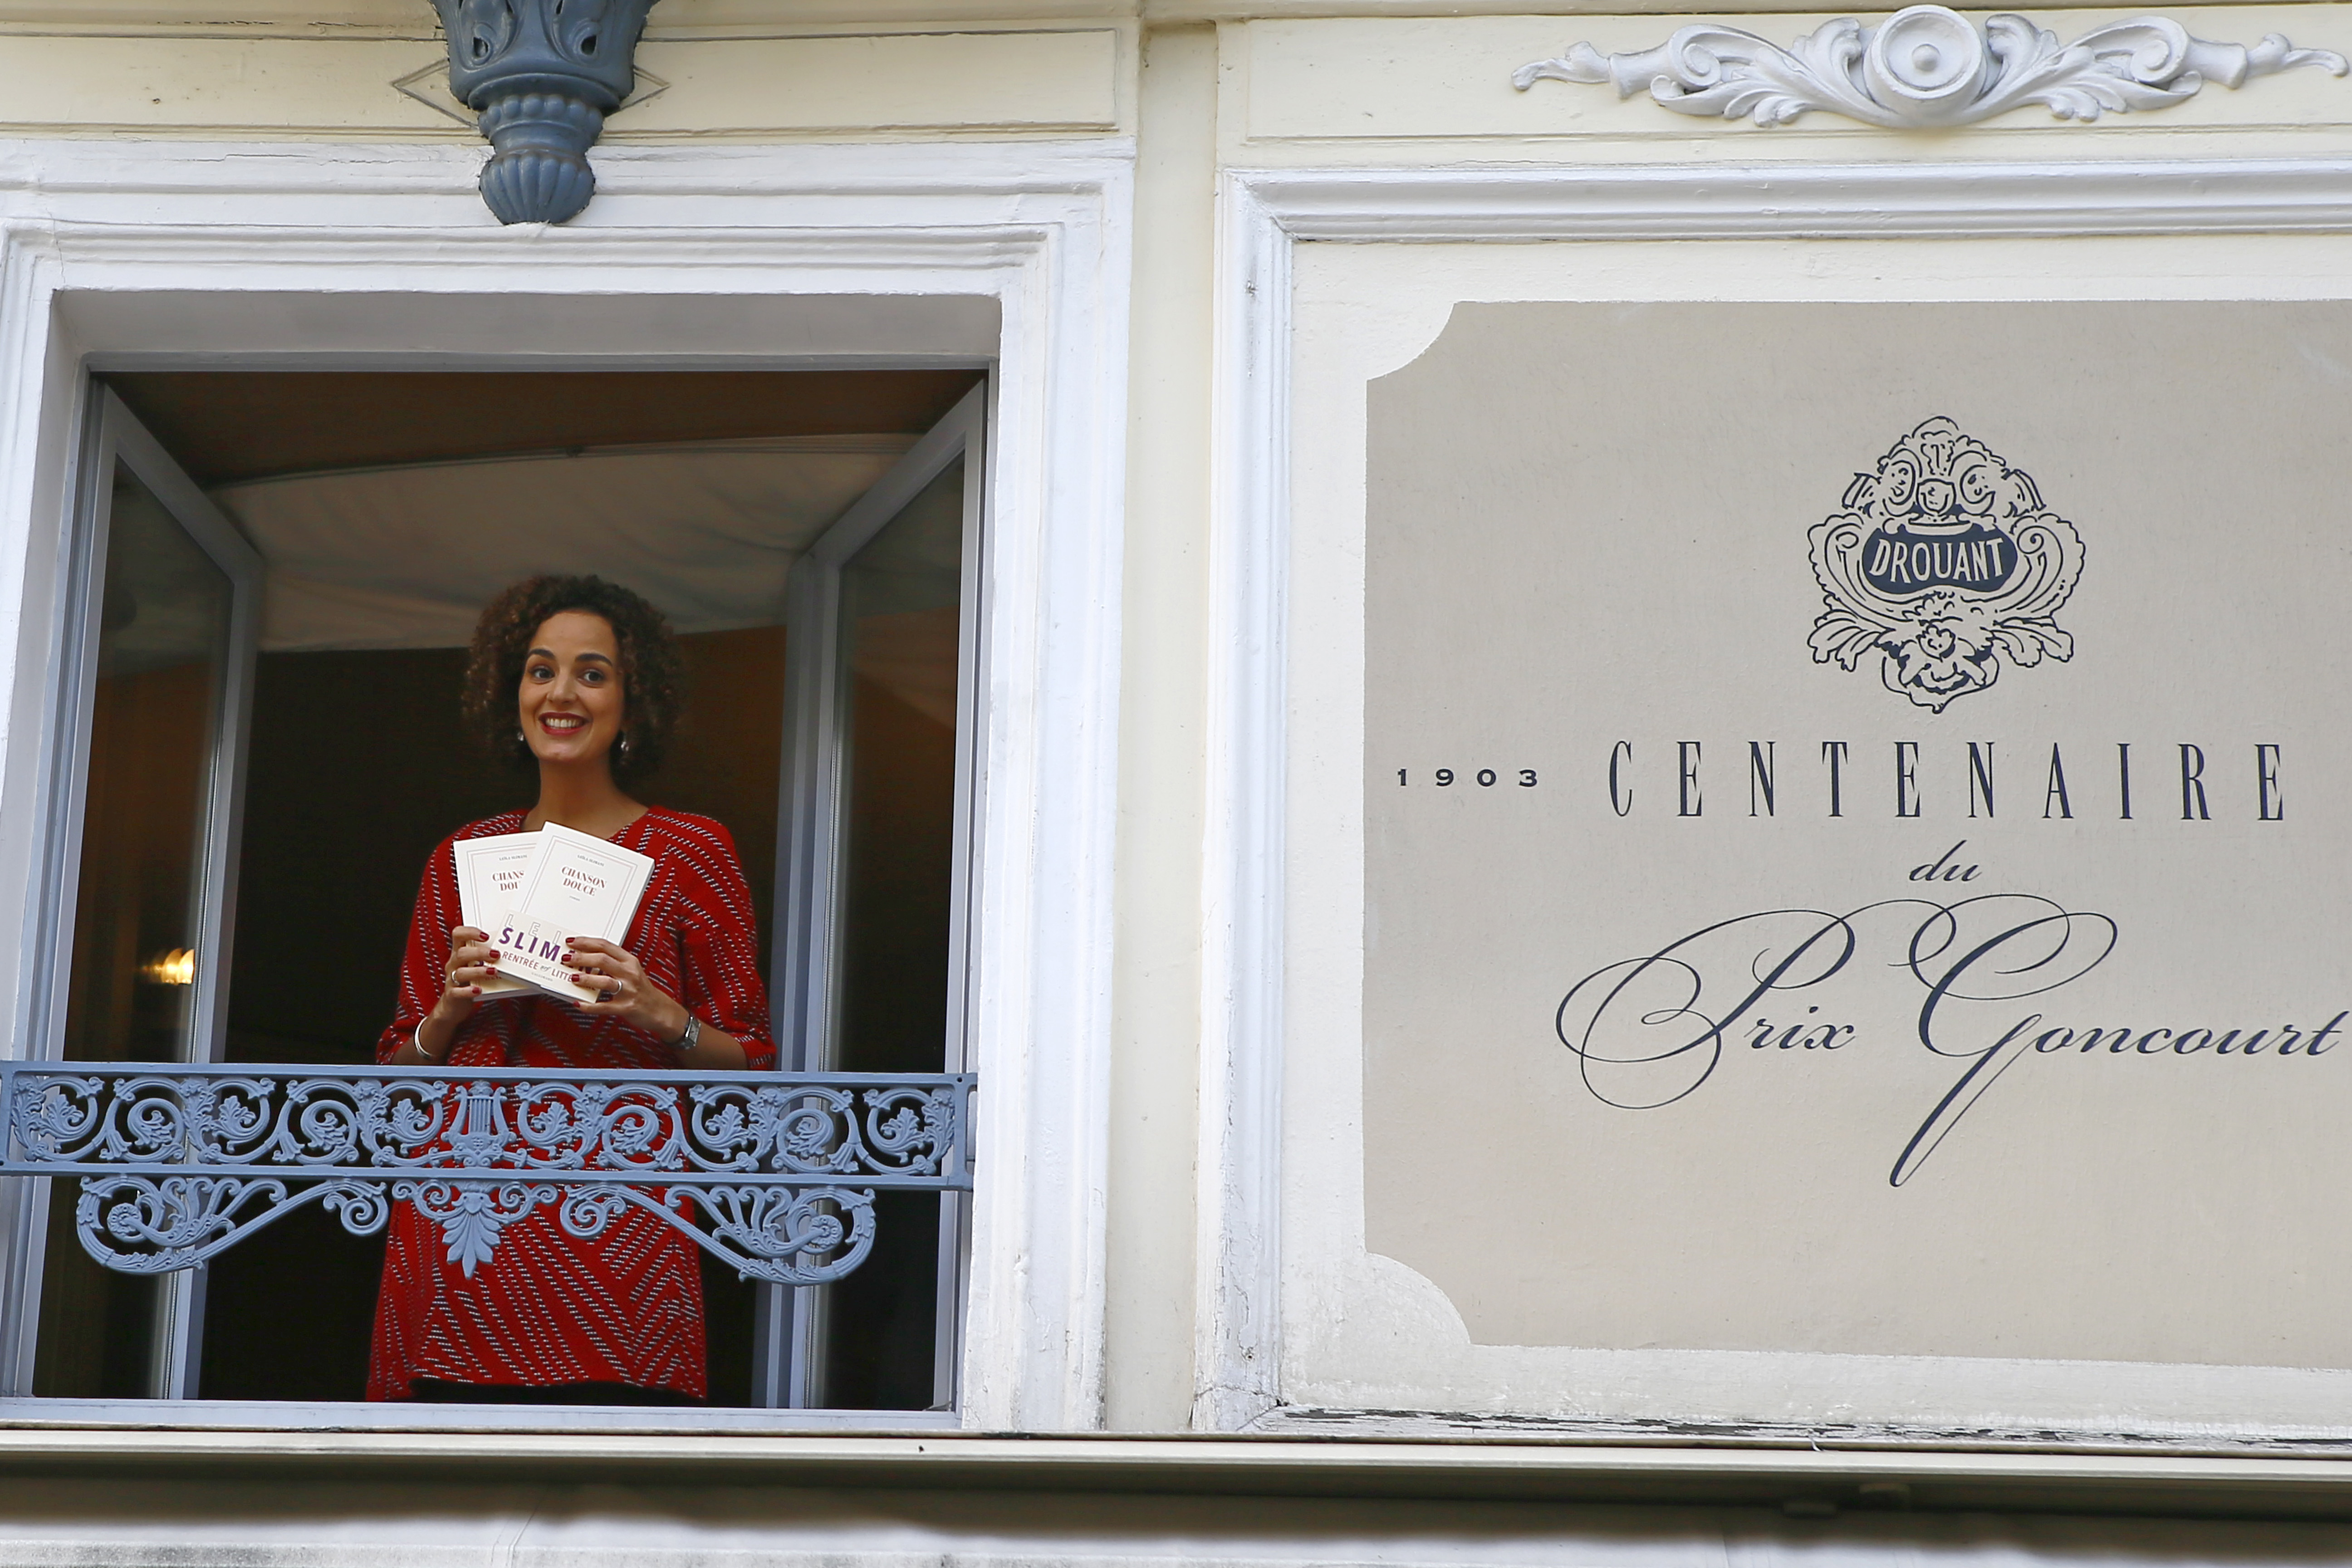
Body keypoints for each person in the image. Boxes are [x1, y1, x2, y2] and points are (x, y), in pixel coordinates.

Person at [367, 575, 774, 1405]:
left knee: (613, 1475)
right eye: (539, 670)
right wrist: (447, 1010)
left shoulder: (692, 850)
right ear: (509, 692)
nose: (561, 693)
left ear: (635, 701)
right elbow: (395, 1075)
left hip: (616, 1219)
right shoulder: (460, 856)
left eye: (593, 673)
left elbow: (754, 1065)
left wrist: (664, 1016)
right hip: (464, 1215)